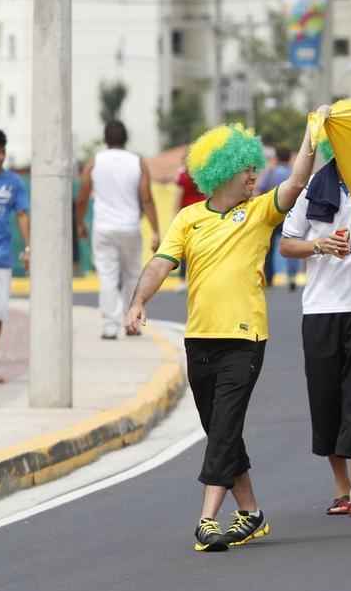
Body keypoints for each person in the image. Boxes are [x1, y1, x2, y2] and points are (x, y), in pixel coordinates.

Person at [126, 108, 329, 553]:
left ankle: (206, 519)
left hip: (244, 339)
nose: (254, 175)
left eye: (255, 168)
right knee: (223, 430)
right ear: (221, 173)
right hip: (199, 340)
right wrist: (140, 302)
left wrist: (311, 138)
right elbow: (161, 264)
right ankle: (251, 514)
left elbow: (294, 184)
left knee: (223, 428)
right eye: (246, 169)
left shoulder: (259, 212)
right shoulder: (187, 219)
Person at [280, 102, 351, 518]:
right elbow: (288, 244)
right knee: (326, 400)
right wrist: (321, 245)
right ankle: (341, 487)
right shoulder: (313, 191)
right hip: (321, 310)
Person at [77, 121, 160, 339]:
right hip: (130, 227)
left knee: (107, 276)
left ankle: (110, 326)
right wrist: (155, 231)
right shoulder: (138, 162)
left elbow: (83, 195)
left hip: (103, 227)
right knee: (132, 274)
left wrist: (79, 223)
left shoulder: (94, 162)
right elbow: (147, 198)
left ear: (105, 139)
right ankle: (132, 323)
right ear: (126, 139)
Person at [0, 127, 29, 384]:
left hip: (2, 257)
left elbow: (22, 215)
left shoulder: (14, 182)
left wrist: (28, 248)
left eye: (0, 152)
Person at [257, 146, 297, 290]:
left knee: (269, 247)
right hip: (291, 215)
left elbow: (261, 188)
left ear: (277, 157)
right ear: (289, 158)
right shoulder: (294, 174)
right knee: (292, 244)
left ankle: (269, 276)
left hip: (272, 214)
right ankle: (292, 277)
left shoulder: (271, 172)